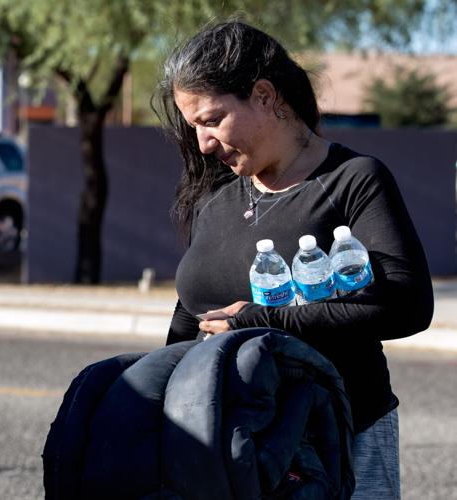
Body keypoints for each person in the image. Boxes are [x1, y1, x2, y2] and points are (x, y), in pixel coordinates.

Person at [155, 20, 433, 499]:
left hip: (337, 439)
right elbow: (192, 311)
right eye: (193, 126)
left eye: (212, 120)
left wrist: (266, 320)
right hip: (226, 441)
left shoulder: (353, 180)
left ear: (264, 96)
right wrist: (157, 394)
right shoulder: (215, 197)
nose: (202, 143)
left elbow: (407, 304)